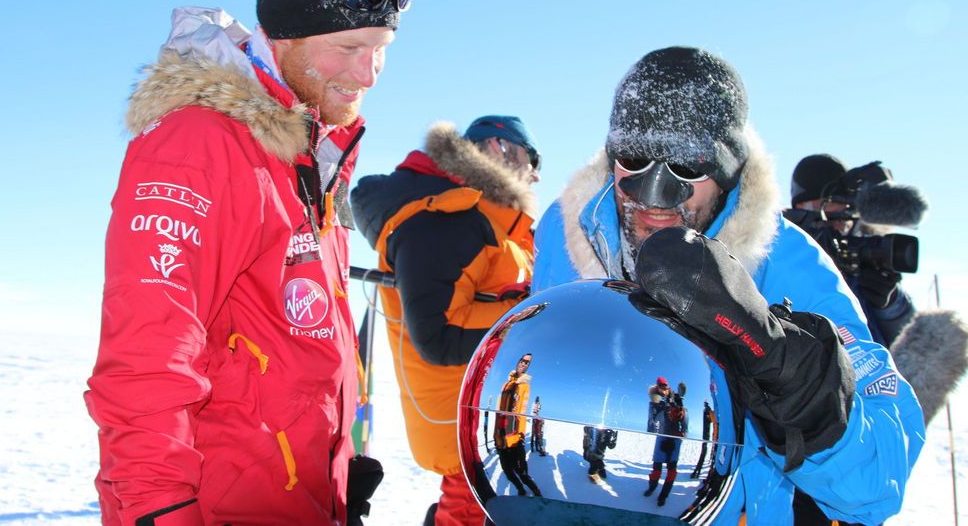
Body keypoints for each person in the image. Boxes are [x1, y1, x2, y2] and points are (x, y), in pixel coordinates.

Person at [84, 0, 410, 526]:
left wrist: (333, 468)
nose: (368, 75)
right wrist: (158, 509)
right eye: (346, 48)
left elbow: (290, 340)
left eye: (382, 50)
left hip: (296, 497)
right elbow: (146, 353)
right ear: (282, 36)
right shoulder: (199, 145)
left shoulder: (309, 157)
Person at [532, 47, 925, 524]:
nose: (653, 194)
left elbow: (878, 483)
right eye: (634, 159)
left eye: (688, 166)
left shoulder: (789, 265)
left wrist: (781, 363)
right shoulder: (566, 229)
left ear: (727, 171)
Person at [351, 116, 540, 525]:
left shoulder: (486, 224)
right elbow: (439, 334)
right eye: (532, 157)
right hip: (468, 429)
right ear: (498, 147)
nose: (536, 175)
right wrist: (532, 316)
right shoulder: (446, 217)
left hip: (490, 423)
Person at [788, 154, 917, 346]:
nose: (843, 219)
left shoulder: (859, 256)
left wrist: (890, 305)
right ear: (802, 206)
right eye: (832, 203)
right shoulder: (780, 255)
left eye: (849, 207)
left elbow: (908, 347)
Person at [494, 354, 542, 498]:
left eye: (527, 363)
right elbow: (498, 409)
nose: (524, 363)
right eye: (522, 360)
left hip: (514, 438)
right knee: (508, 472)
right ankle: (520, 489)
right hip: (500, 436)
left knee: (522, 472)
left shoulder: (524, 386)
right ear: (517, 361)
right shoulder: (506, 384)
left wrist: (520, 435)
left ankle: (536, 492)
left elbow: (521, 411)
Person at [644, 388, 687, 507]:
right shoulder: (662, 407)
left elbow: (684, 427)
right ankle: (655, 491)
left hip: (671, 441)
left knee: (667, 470)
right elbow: (685, 429)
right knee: (662, 469)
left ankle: (660, 495)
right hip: (666, 440)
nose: (670, 400)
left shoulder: (680, 409)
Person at [690, 401, 717, 479]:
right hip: (711, 437)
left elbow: (712, 422)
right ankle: (698, 471)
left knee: (708, 453)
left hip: (713, 438)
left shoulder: (710, 413)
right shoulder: (710, 413)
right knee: (706, 452)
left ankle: (699, 472)